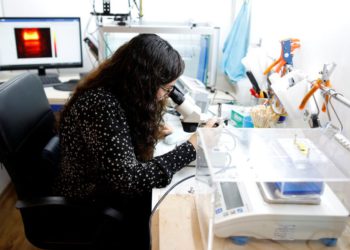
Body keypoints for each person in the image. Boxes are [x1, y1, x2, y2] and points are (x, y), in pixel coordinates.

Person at [53, 33, 217, 249]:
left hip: (107, 183)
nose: (167, 95)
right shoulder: (100, 105)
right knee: (178, 220)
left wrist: (147, 131)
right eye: (166, 89)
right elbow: (128, 180)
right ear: (143, 82)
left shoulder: (118, 93)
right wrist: (191, 148)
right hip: (92, 200)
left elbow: (113, 140)